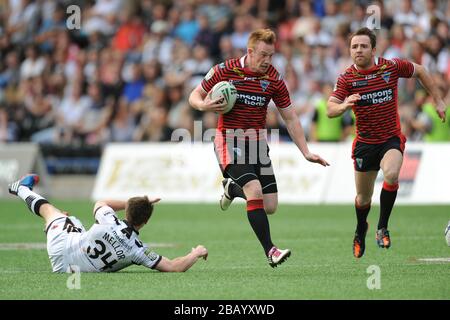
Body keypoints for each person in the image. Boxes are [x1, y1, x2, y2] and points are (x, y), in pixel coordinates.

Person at [189, 29, 329, 267]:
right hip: (228, 140)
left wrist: (306, 152)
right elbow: (195, 95)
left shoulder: (274, 78)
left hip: (256, 144)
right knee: (254, 190)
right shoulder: (225, 70)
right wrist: (204, 105)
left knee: (270, 205)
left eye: (271, 55)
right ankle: (271, 251)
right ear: (250, 51)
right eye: (263, 55)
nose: (267, 60)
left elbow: (291, 117)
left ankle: (232, 190)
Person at [327, 27, 447, 258]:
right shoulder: (346, 78)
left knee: (391, 174)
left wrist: (438, 100)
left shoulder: (389, 67)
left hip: (390, 139)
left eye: (363, 46)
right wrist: (344, 106)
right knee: (363, 198)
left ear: (373, 49)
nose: (358, 50)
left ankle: (382, 227)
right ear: (349, 51)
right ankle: (361, 228)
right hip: (364, 143)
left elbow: (420, 70)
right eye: (354, 47)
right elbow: (331, 108)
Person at [8, 174, 208, 273]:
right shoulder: (138, 251)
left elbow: (100, 203)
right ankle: (60, 220)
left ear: (127, 210)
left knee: (50, 211)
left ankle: (21, 189)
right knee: (70, 220)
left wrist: (130, 201)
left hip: (60, 246)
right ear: (145, 222)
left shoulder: (107, 218)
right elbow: (174, 266)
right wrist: (196, 252)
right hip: (67, 270)